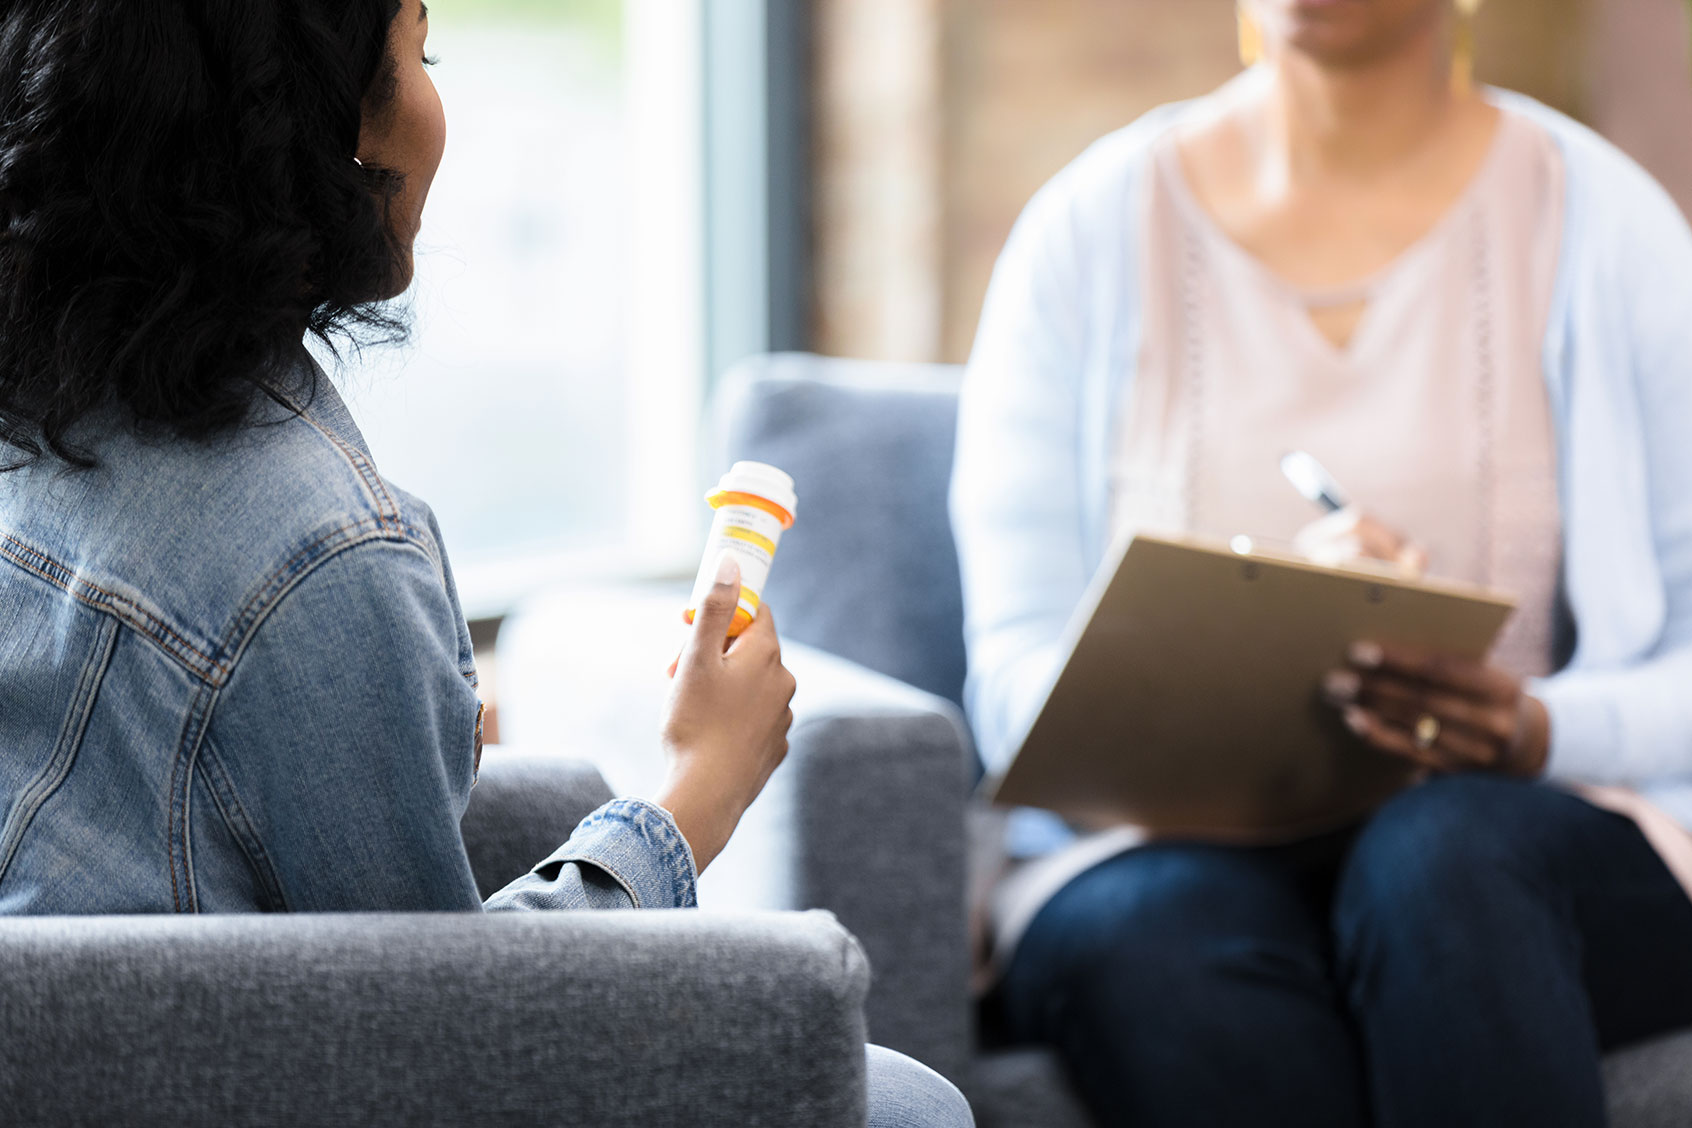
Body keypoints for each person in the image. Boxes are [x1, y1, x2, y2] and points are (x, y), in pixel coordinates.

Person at [0, 2, 971, 1124]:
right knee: (911, 1106)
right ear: (327, 136)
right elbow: (462, 1052)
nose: (431, 104)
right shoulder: (315, 557)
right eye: (419, 54)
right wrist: (697, 788)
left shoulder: (47, 414)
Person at [951, 1, 1692, 1125]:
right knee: (1163, 934)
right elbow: (1008, 690)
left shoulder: (1606, 227)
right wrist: (1233, 646)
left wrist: (1536, 728)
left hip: (1516, 833)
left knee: (1441, 856)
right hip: (1151, 857)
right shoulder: (1088, 230)